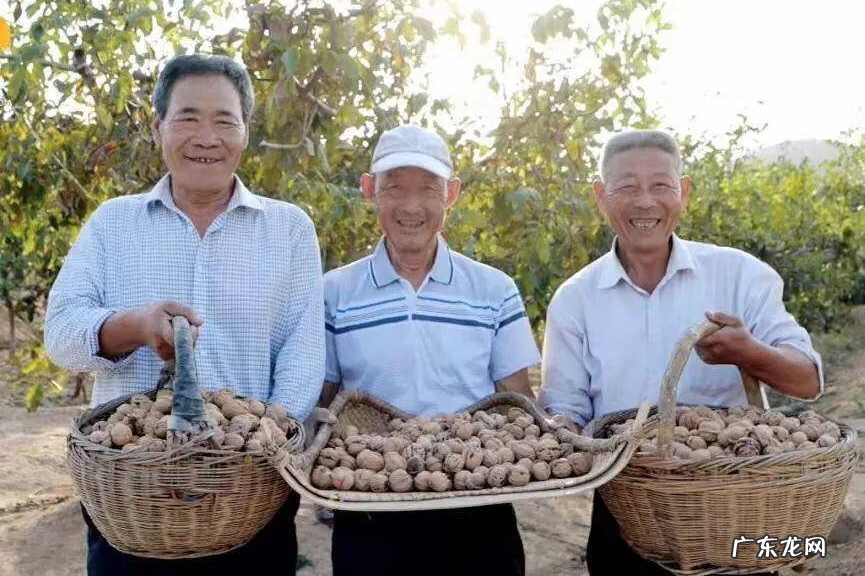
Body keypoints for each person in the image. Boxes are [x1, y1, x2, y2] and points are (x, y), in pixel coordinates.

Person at [44, 54, 325, 575]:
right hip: (133, 501)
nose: (206, 137)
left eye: (224, 121)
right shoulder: (114, 224)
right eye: (188, 118)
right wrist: (134, 327)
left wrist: (255, 456)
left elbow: (302, 355)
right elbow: (60, 333)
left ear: (245, 132)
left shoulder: (288, 229)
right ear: (158, 128)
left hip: (251, 499)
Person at [539, 129, 822, 575]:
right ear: (601, 197)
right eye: (626, 187)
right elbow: (565, 406)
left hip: (729, 508)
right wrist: (561, 430)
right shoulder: (575, 299)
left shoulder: (739, 275)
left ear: (683, 192)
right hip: (625, 510)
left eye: (661, 186)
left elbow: (807, 382)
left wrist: (748, 352)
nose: (644, 202)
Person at [321, 124, 540, 576]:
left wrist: (539, 440)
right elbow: (324, 400)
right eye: (394, 188)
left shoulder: (494, 290)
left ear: (452, 194)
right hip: (370, 509)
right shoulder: (334, 292)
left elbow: (517, 399)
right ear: (369, 190)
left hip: (478, 506)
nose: (411, 206)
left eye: (428, 189)